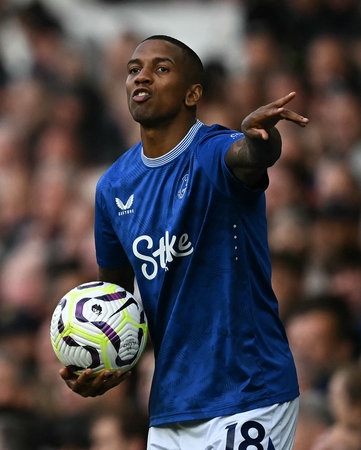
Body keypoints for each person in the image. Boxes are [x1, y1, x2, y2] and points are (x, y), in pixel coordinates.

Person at [59, 35, 308, 449]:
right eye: (134, 69)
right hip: (172, 409)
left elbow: (250, 156)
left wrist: (261, 139)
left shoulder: (212, 151)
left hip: (248, 391)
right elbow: (116, 304)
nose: (142, 77)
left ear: (193, 94)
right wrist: (104, 363)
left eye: (161, 69)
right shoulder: (113, 188)